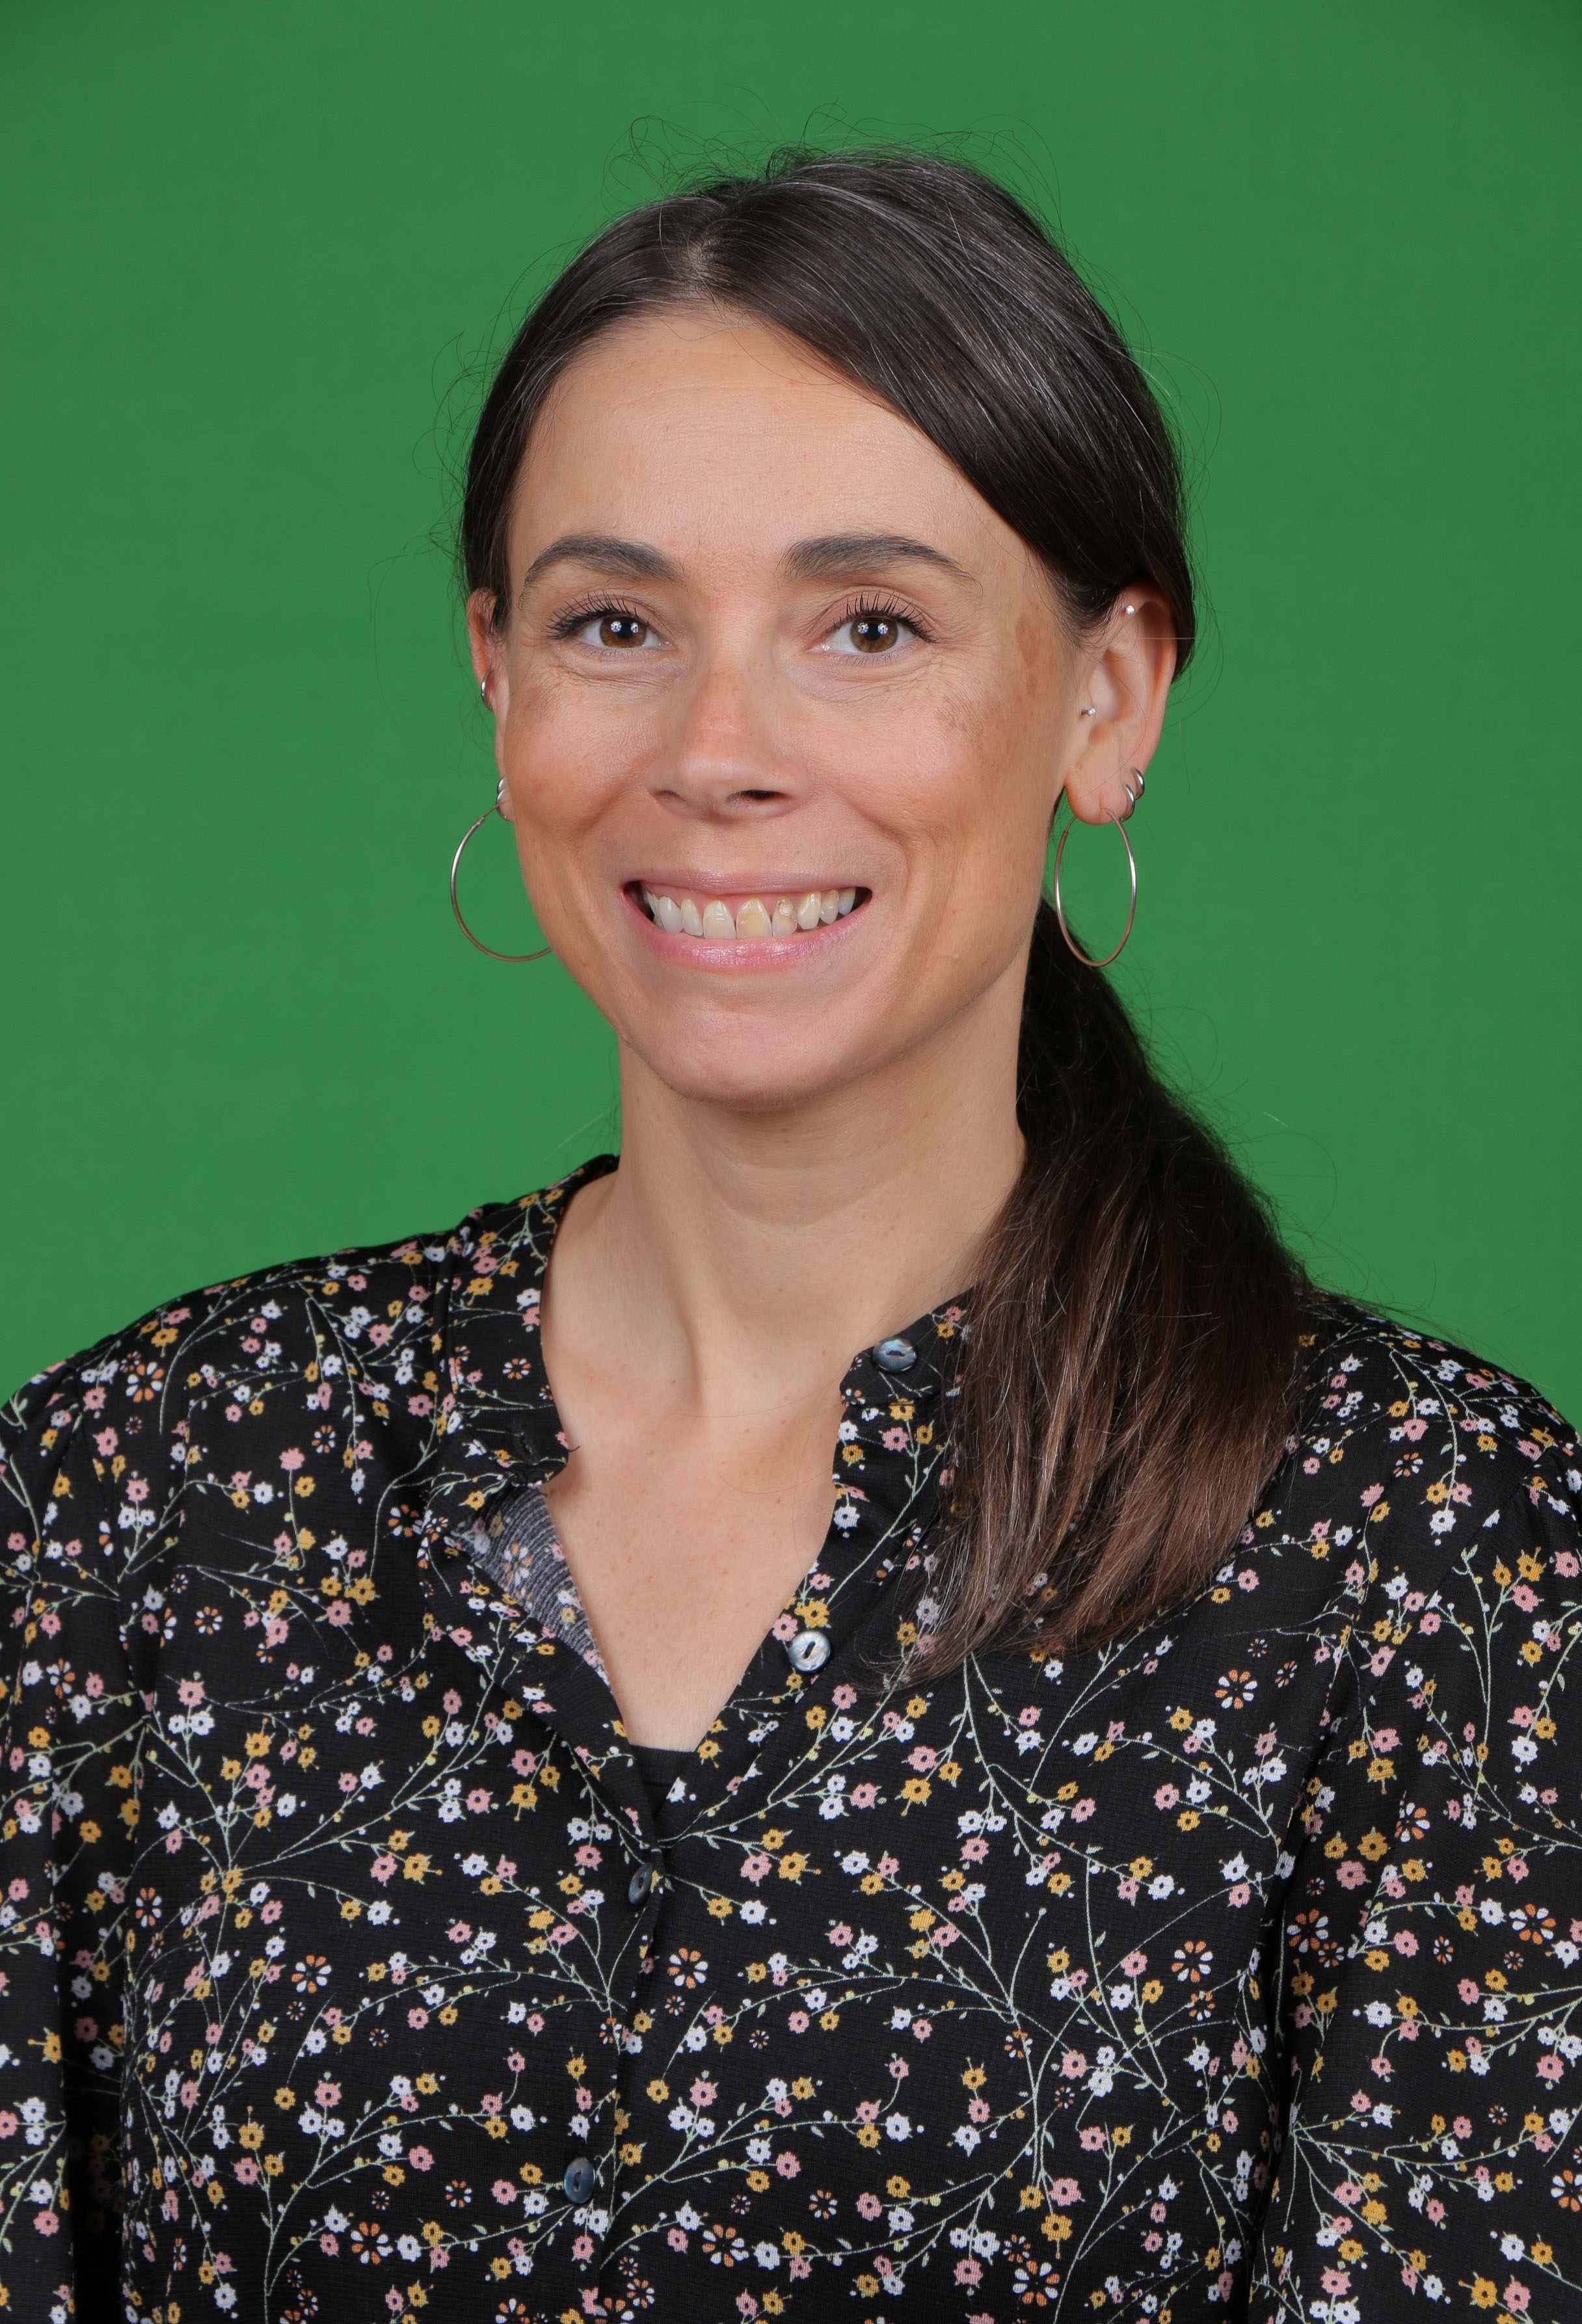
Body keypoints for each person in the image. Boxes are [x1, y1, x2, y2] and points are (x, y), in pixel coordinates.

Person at [2, 150, 1577, 2324]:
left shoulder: (1437, 1555)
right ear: (497, 681)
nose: (718, 752)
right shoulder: (133, 1498)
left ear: (1109, 698)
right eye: (616, 626)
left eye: (870, 627)